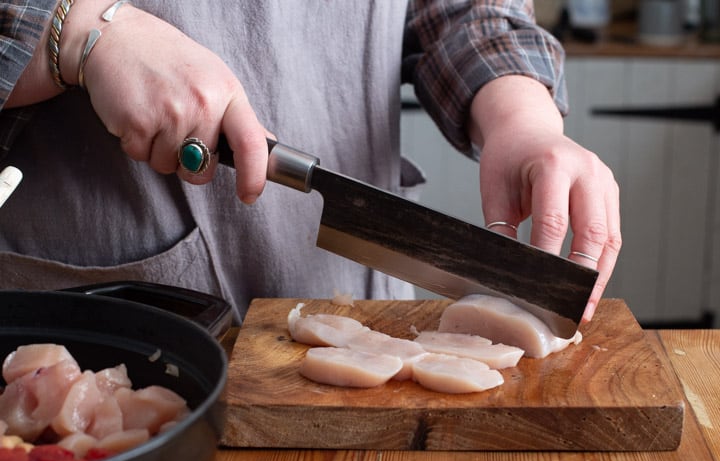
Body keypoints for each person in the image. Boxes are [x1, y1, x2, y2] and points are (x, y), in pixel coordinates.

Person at [0, 0, 620, 324]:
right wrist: (79, 30)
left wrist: (521, 120)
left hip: (364, 312)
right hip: (97, 324)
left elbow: (460, 7)